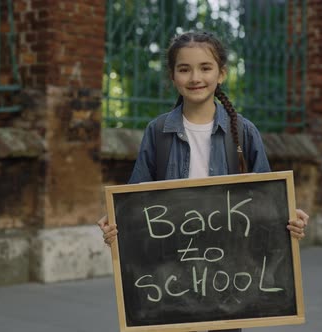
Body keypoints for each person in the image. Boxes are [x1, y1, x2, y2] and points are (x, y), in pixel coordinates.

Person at [98, 31, 309, 332]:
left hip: (230, 277)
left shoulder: (245, 133)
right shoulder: (157, 132)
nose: (195, 77)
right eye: (184, 69)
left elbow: (269, 204)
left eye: (205, 67)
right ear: (172, 76)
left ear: (221, 73)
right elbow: (135, 205)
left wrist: (292, 222)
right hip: (170, 277)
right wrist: (115, 227)